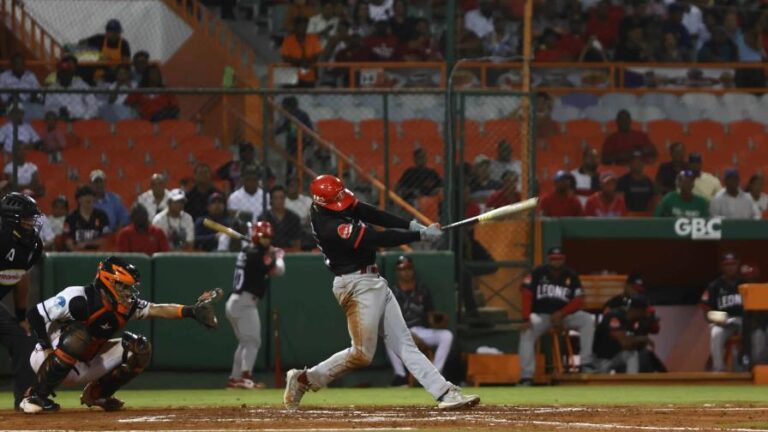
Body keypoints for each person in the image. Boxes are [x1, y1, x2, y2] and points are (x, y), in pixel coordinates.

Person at [283, 174, 479, 411]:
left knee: (405, 344)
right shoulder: (330, 226)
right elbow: (378, 238)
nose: (343, 202)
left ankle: (444, 392)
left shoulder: (329, 204)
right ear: (322, 202)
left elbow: (369, 213)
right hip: (356, 286)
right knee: (362, 354)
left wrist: (410, 224)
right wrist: (419, 235)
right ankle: (305, 379)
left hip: (372, 281)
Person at [19, 257, 221, 413]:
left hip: (86, 363)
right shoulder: (77, 297)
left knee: (140, 348)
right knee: (80, 336)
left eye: (129, 287)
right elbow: (34, 314)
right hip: (50, 358)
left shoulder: (127, 306)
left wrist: (190, 311)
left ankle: (97, 394)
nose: (128, 292)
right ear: (108, 282)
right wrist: (45, 347)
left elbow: (157, 309)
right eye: (123, 286)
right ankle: (35, 396)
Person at [517, 247, 595, 386]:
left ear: (563, 259)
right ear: (548, 259)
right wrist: (525, 318)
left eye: (559, 258)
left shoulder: (571, 275)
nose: (556, 261)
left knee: (587, 320)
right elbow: (526, 294)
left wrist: (562, 313)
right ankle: (526, 376)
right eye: (553, 258)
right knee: (526, 331)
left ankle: (585, 363)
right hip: (542, 316)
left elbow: (578, 299)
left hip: (565, 316)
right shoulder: (537, 273)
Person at [225, 222, 285, 389]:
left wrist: (269, 252)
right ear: (256, 237)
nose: (267, 240)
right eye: (264, 237)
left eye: (268, 238)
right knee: (253, 342)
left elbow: (260, 255)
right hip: (245, 303)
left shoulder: (248, 251)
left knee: (245, 342)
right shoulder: (255, 254)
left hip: (236, 302)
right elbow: (279, 271)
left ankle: (235, 378)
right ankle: (245, 377)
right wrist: (278, 256)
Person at [0, 193, 44, 410]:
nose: (31, 222)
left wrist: (20, 317)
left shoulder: (33, 246)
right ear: (12, 218)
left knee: (23, 341)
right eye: (26, 218)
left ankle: (25, 398)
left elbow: (20, 278)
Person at [386, 256, 454, 386]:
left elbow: (430, 313)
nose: (406, 272)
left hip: (421, 331)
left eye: (409, 269)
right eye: (402, 269)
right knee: (388, 337)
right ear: (397, 272)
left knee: (446, 335)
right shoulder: (392, 292)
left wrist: (436, 320)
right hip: (402, 332)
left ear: (413, 270)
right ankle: (400, 376)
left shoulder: (422, 289)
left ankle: (435, 375)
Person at [700, 253, 763, 372]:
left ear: (738, 265)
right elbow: (705, 308)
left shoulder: (745, 283)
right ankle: (718, 369)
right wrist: (716, 319)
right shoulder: (715, 286)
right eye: (727, 264)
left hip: (743, 321)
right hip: (723, 321)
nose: (730, 267)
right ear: (722, 267)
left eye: (733, 264)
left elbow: (757, 304)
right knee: (716, 333)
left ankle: (751, 368)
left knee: (757, 334)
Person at [594, 296, 654, 374]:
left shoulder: (635, 321)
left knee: (632, 354)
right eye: (644, 311)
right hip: (600, 360)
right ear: (636, 310)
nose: (646, 314)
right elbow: (624, 342)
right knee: (600, 383)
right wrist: (643, 339)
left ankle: (631, 383)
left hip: (615, 357)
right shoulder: (614, 316)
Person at [44, 56, 98, 121]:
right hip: (61, 123)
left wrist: (84, 118)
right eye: (63, 73)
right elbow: (48, 109)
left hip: (83, 122)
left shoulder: (80, 84)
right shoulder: (52, 89)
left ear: (72, 74)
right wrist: (56, 114)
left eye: (68, 73)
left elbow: (93, 104)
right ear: (58, 74)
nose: (66, 76)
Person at [63, 185, 110, 251]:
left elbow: (105, 239)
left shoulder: (102, 216)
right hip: (76, 255)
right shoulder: (71, 218)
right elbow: (67, 240)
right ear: (79, 199)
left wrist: (86, 243)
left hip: (97, 254)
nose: (88, 197)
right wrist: (76, 251)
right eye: (85, 195)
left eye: (91, 195)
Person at [281, 16, 323, 87]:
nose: (303, 29)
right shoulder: (287, 40)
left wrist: (306, 61)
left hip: (309, 77)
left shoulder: (313, 38)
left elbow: (317, 55)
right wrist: (300, 62)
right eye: (300, 26)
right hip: (291, 77)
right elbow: (285, 57)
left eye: (305, 26)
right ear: (295, 27)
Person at [258, 186, 302, 250]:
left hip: (289, 253)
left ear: (285, 199)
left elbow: (297, 242)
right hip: (269, 253)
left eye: (281, 198)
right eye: (276, 198)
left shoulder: (294, 218)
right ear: (271, 200)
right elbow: (261, 242)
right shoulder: (263, 218)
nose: (279, 201)